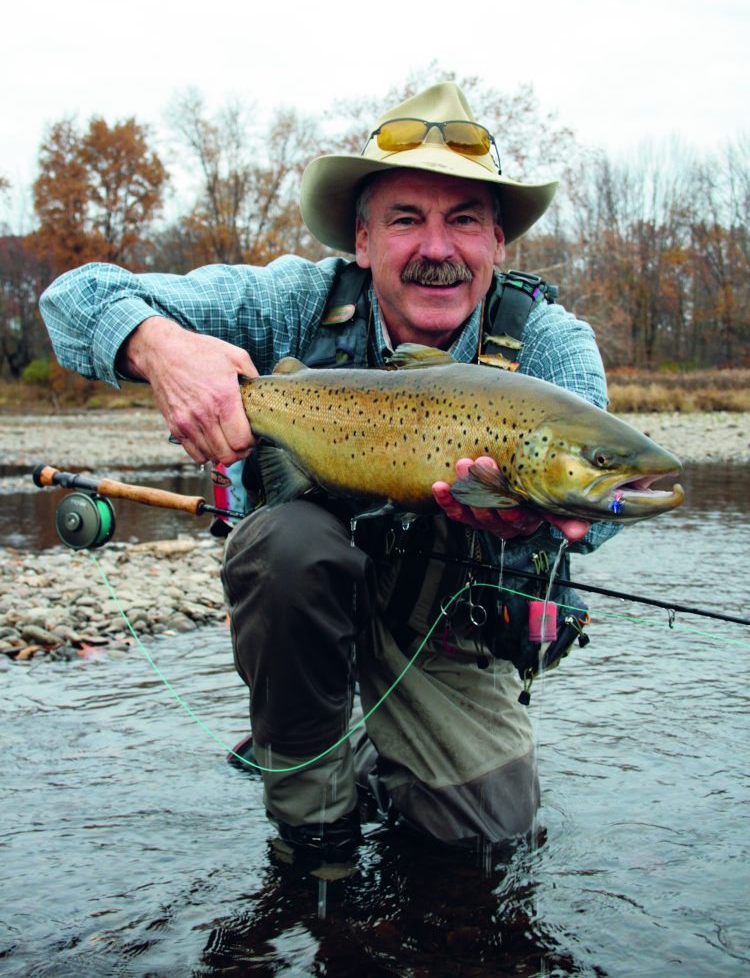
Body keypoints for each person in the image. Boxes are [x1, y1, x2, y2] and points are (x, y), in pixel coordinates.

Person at [40, 82, 618, 874]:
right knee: (287, 543)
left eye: (464, 220)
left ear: (498, 244)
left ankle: (380, 749)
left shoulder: (550, 349)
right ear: (362, 239)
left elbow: (607, 502)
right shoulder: (293, 302)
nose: (437, 247)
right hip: (308, 587)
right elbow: (72, 298)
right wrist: (158, 347)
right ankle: (314, 823)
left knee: (484, 846)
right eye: (406, 218)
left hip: (451, 626)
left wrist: (544, 518)